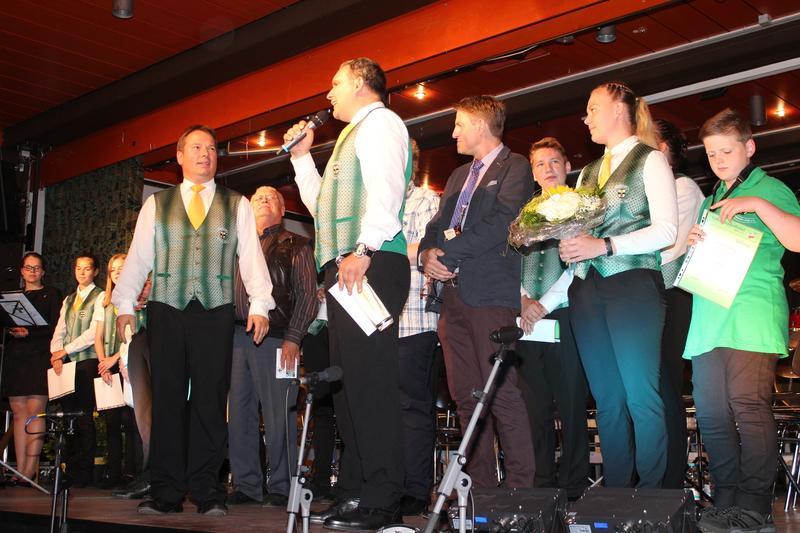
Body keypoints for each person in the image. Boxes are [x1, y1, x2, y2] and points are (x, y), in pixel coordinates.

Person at [112, 125, 274, 516]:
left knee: (210, 399)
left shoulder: (237, 203)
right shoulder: (157, 204)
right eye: (197, 147)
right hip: (166, 309)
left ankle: (207, 489)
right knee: (166, 399)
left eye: (212, 148)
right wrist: (125, 303)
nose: (206, 154)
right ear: (180, 156)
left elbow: (251, 258)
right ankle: (166, 492)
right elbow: (138, 257)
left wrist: (260, 304)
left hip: (216, 311)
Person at [284, 57, 411, 530]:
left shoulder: (381, 123)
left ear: (359, 83)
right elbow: (323, 206)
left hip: (370, 263)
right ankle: (356, 491)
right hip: (347, 269)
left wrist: (364, 248)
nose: (329, 93)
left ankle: (383, 498)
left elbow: (387, 190)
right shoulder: (348, 136)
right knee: (349, 385)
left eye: (335, 83)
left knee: (371, 384)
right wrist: (301, 158)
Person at [685, 108, 800, 533]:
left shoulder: (770, 188)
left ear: (749, 147)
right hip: (708, 317)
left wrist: (756, 204)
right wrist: (692, 243)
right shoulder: (710, 199)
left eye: (727, 151)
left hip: (751, 314)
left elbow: (797, 239)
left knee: (748, 407)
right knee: (712, 414)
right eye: (711, 153)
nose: (718, 160)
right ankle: (727, 502)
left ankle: (754, 506)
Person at [558, 82, 677, 488]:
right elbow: (581, 230)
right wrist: (569, 242)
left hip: (632, 283)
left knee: (641, 396)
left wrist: (605, 245)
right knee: (607, 400)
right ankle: (616, 494)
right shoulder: (588, 172)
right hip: (586, 288)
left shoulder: (650, 159)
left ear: (618, 111)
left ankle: (651, 499)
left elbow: (667, 230)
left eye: (593, 109)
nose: (586, 118)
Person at [420, 95, 536, 489]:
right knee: (465, 398)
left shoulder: (516, 166)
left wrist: (447, 254)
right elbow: (437, 224)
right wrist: (427, 254)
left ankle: (519, 494)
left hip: (488, 297)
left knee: (500, 394)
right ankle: (480, 496)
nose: (453, 132)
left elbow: (502, 223)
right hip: (450, 299)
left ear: (480, 126)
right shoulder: (457, 175)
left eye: (459, 123)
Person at [227, 186, 316, 508]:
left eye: (272, 197)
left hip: (279, 339)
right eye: (258, 197)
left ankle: (282, 485)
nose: (265, 200)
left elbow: (307, 296)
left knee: (281, 415)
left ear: (282, 210)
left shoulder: (297, 244)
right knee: (239, 415)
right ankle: (247, 485)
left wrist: (294, 337)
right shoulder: (234, 245)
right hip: (236, 337)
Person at [516, 137, 589, 500]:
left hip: (566, 315)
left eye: (554, 162)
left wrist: (544, 304)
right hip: (527, 320)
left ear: (567, 166)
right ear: (533, 172)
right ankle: (542, 487)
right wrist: (523, 300)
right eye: (540, 164)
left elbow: (580, 264)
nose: (548, 168)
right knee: (534, 407)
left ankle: (574, 487)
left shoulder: (583, 208)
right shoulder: (523, 214)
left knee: (571, 404)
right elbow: (511, 264)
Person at [653, 119, 705, 490]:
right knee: (650, 387)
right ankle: (653, 475)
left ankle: (671, 479)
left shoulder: (682, 187)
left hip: (672, 295)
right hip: (647, 297)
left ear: (665, 150)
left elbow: (666, 248)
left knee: (667, 385)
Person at [397, 139, 441, 516]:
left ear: (413, 162)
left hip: (414, 318)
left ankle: (415, 488)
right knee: (381, 407)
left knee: (412, 406)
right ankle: (387, 484)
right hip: (373, 321)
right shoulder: (373, 204)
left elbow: (427, 251)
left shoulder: (427, 199)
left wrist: (378, 256)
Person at [1, 253, 62, 487]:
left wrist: (30, 332)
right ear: (21, 270)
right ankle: (19, 469)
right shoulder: (13, 297)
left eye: (37, 268)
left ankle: (30, 470)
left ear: (43, 271)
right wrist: (12, 331)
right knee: (18, 413)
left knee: (35, 411)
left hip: (39, 355)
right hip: (16, 356)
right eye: (28, 267)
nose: (32, 272)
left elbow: (57, 327)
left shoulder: (52, 293)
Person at [50, 252, 104, 488]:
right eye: (78, 268)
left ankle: (85, 471)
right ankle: (69, 469)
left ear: (95, 272)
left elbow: (93, 333)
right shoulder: (69, 299)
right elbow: (60, 329)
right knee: (67, 417)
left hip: (87, 361)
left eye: (87, 268)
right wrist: (56, 354)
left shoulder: (100, 296)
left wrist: (66, 350)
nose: (82, 273)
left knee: (83, 417)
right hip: (67, 363)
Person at [93, 254, 143, 490]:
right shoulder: (104, 301)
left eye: (122, 268)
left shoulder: (136, 300)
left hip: (127, 363)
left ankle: (132, 473)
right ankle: (113, 473)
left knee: (131, 421)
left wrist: (114, 359)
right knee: (111, 422)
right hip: (107, 367)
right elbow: (98, 336)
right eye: (113, 270)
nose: (117, 273)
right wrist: (103, 362)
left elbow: (134, 336)